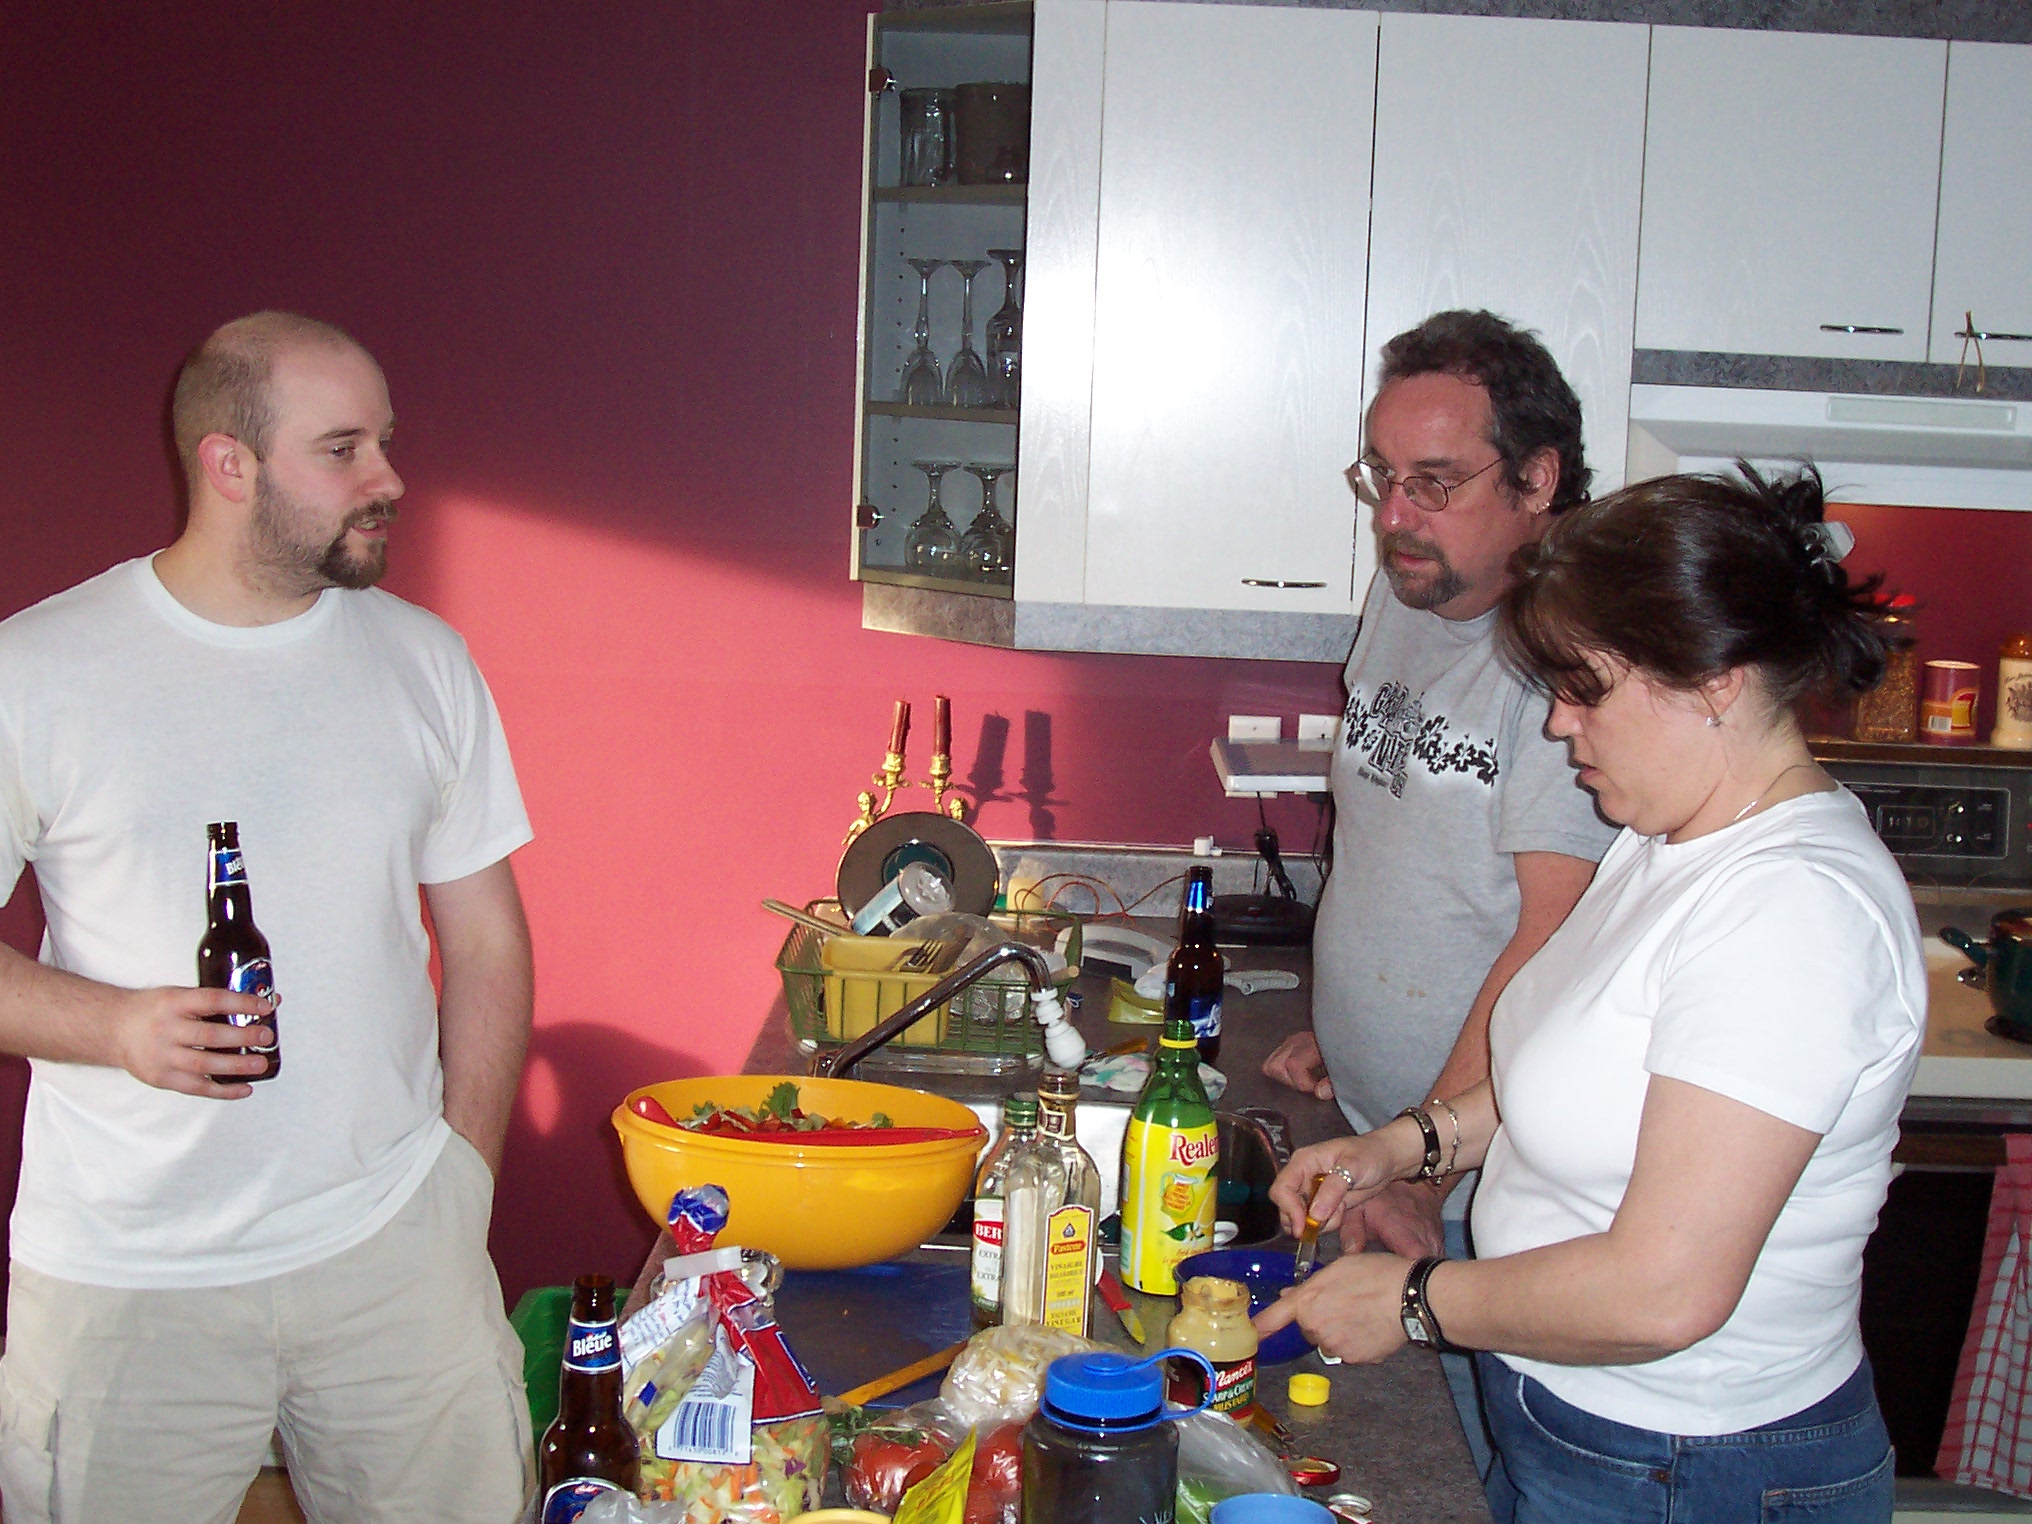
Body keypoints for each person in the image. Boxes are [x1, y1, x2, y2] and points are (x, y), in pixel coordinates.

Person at [1258, 463, 1921, 1523]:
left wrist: (1414, 1302)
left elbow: (1664, 1293)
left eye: (1586, 688)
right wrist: (1402, 1146)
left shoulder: (1790, 912)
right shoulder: (1667, 841)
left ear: (1714, 681)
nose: (1559, 723)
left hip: (1695, 1464)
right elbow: (1575, 1075)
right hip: (1582, 1420)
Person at [0, 312, 536, 1522]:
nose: (389, 478)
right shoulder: (34, 673)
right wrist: (115, 1026)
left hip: (395, 1245)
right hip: (128, 1275)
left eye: (384, 442)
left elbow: (486, 939)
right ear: (228, 465)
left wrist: (462, 1179)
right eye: (342, 450)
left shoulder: (423, 661)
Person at [1260, 311, 1617, 1471]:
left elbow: (1549, 941)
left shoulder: (1573, 658)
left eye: (1433, 482)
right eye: (1380, 476)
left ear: (1536, 479)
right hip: (1377, 1134)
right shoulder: (1409, 592)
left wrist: (1425, 1166)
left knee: (1447, 1474)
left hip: (1474, 1188)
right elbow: (1389, 836)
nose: (1393, 517)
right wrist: (1348, 1022)